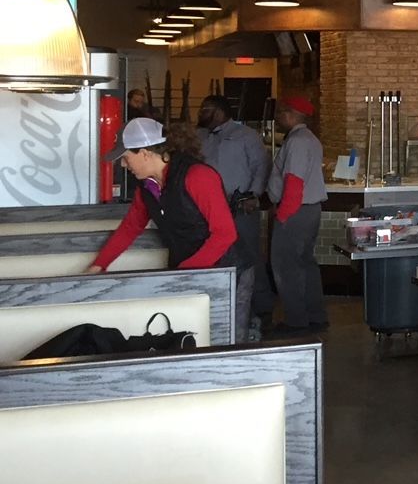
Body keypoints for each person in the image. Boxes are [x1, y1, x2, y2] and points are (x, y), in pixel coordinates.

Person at [89, 117, 236, 273]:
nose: (124, 165)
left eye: (126, 158)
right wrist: (99, 265)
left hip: (226, 270)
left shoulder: (197, 176)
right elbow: (130, 227)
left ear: (145, 153)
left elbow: (225, 234)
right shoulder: (147, 186)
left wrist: (185, 273)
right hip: (188, 271)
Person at [198, 94, 271, 341]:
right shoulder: (201, 137)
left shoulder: (247, 136)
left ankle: (261, 309)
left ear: (218, 111)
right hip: (210, 208)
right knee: (220, 257)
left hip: (241, 205)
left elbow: (261, 166)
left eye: (205, 109)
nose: (201, 112)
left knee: (248, 257)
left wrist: (254, 195)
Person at [267, 96, 329, 333]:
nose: (279, 117)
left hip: (295, 211)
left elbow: (294, 182)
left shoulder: (297, 142)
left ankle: (296, 320)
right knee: (305, 264)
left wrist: (282, 215)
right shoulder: (309, 139)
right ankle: (315, 315)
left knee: (286, 267)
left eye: (282, 112)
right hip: (307, 210)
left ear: (293, 114)